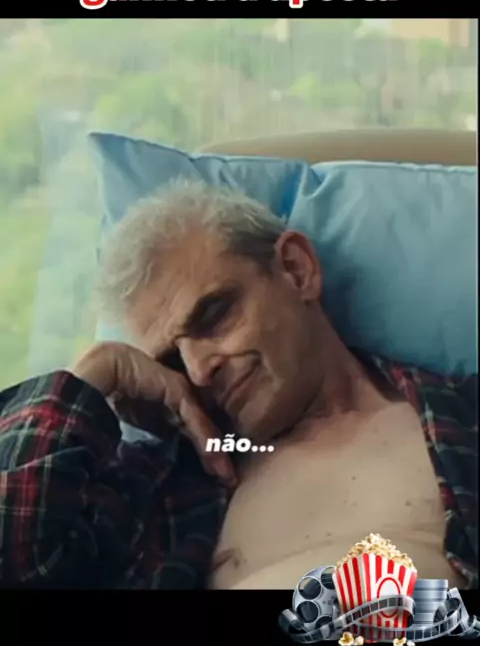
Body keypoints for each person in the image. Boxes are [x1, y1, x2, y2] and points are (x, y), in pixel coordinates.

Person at [0, 180, 477, 590]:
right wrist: (86, 380)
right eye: (172, 361)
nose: (199, 372)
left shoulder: (464, 422)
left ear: (296, 269)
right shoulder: (152, 492)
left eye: (213, 315)